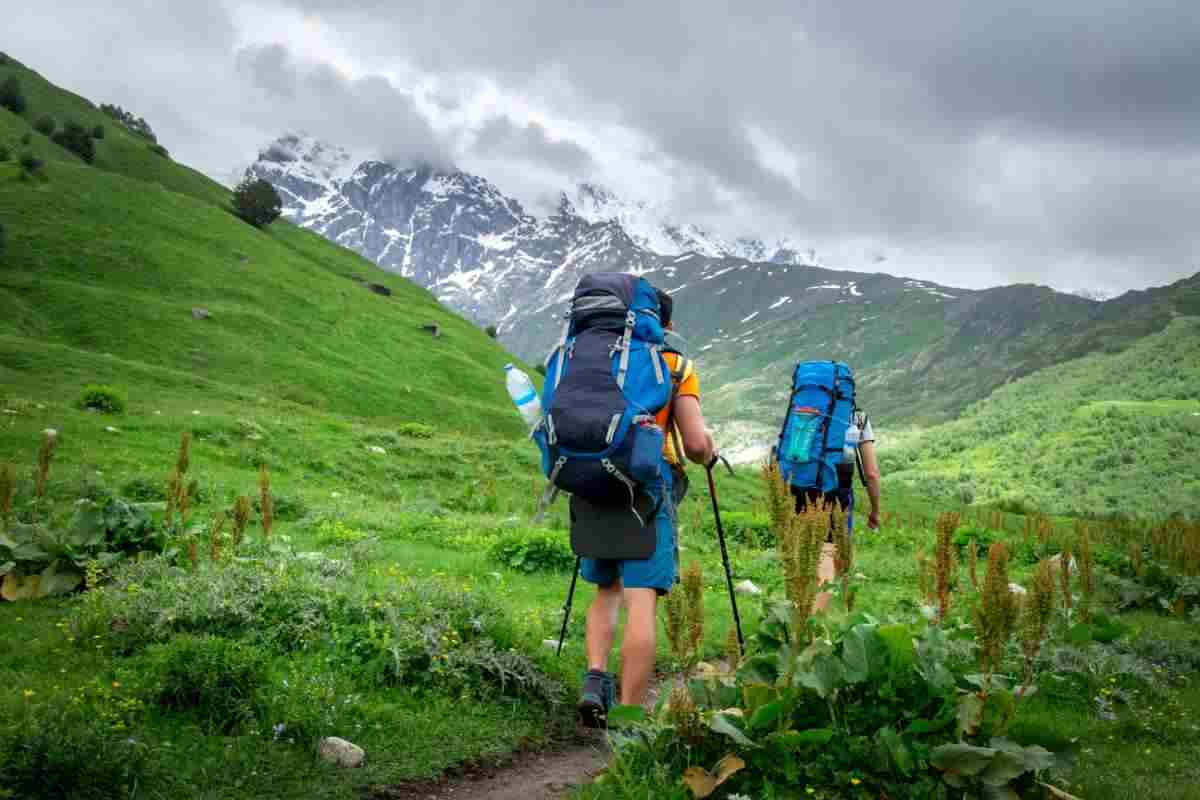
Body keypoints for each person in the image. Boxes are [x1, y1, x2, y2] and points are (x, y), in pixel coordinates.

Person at [577, 288, 715, 725]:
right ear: (664, 325)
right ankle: (631, 719)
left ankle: (595, 679)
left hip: (592, 480)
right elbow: (693, 444)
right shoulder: (675, 366)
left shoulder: (590, 356)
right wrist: (709, 454)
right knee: (641, 599)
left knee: (606, 589)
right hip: (647, 487)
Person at [791, 407, 881, 612]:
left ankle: (802, 612)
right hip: (835, 494)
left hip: (798, 486)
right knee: (827, 559)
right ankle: (812, 628)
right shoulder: (857, 417)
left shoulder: (803, 405)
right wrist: (875, 510)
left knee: (803, 556)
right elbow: (872, 473)